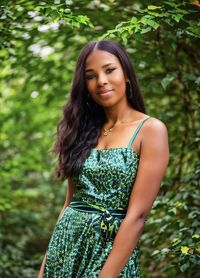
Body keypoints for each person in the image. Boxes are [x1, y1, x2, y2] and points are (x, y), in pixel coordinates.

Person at [38, 39, 169, 278]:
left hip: (109, 253)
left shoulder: (151, 130)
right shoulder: (81, 130)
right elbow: (69, 203)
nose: (101, 81)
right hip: (65, 248)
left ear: (126, 74)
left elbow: (138, 216)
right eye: (91, 76)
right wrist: (45, 267)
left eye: (109, 70)